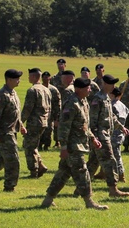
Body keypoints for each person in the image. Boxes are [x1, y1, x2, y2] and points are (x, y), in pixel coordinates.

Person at [40, 78, 109, 210]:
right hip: (72, 146)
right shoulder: (72, 104)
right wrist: (64, 147)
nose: (90, 90)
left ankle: (48, 200)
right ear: (79, 89)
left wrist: (93, 138)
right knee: (82, 172)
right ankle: (89, 201)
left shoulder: (83, 102)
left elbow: (84, 125)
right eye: (87, 88)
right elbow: (63, 127)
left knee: (63, 173)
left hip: (80, 144)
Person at [86, 74, 129, 198]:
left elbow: (112, 117)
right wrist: (94, 137)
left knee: (93, 164)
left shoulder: (106, 98)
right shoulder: (98, 99)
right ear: (105, 84)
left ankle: (80, 189)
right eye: (111, 84)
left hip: (104, 135)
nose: (114, 87)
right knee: (110, 161)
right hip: (101, 136)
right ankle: (113, 189)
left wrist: (121, 127)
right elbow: (92, 120)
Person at [21, 68, 51, 178]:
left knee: (29, 147)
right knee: (32, 145)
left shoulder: (32, 90)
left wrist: (20, 122)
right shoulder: (46, 89)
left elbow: (27, 109)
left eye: (29, 76)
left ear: (34, 77)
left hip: (34, 122)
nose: (28, 78)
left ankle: (34, 171)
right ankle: (41, 165)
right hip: (44, 122)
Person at [110, 87, 129, 183]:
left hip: (114, 133)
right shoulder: (123, 105)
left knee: (116, 155)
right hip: (121, 133)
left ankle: (121, 174)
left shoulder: (112, 106)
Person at [39, 71, 61, 151]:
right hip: (41, 113)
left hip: (50, 114)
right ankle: (39, 144)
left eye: (47, 77)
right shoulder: (39, 88)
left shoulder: (53, 89)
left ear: (50, 78)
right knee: (40, 130)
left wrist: (56, 116)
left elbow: (57, 103)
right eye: (44, 77)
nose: (46, 78)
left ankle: (46, 146)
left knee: (49, 131)